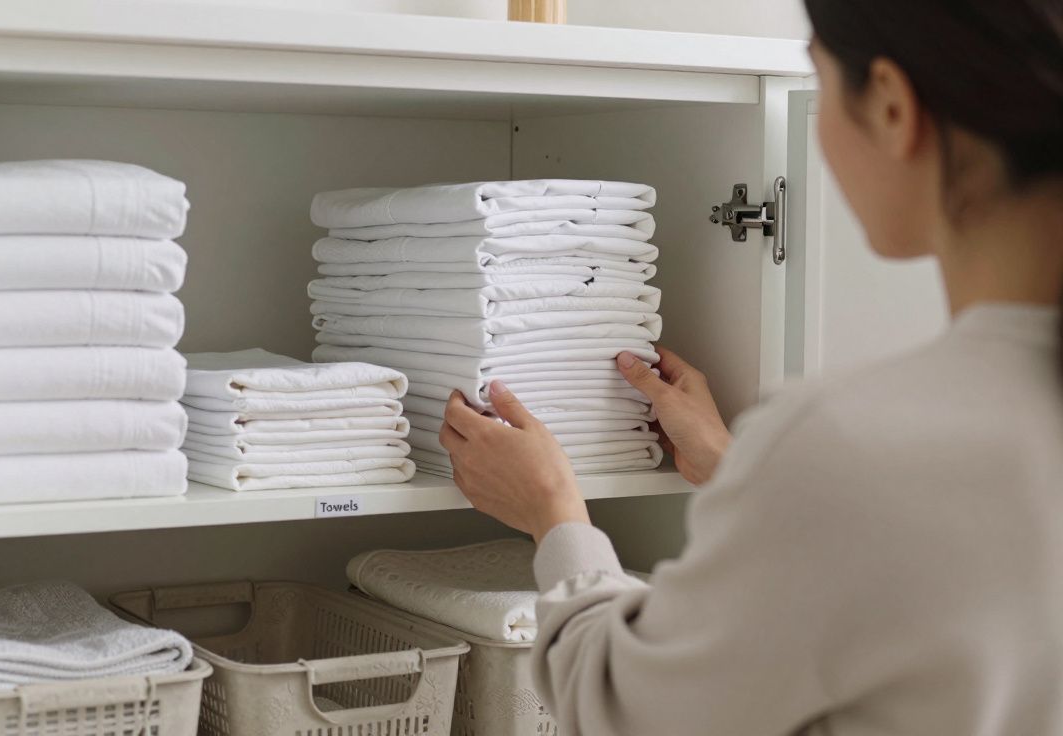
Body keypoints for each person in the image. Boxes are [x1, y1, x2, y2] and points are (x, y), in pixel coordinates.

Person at [439, 0, 1063, 733]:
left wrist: (552, 512)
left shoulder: (845, 444)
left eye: (823, 86)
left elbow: (626, 708)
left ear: (893, 107)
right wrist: (741, 470)